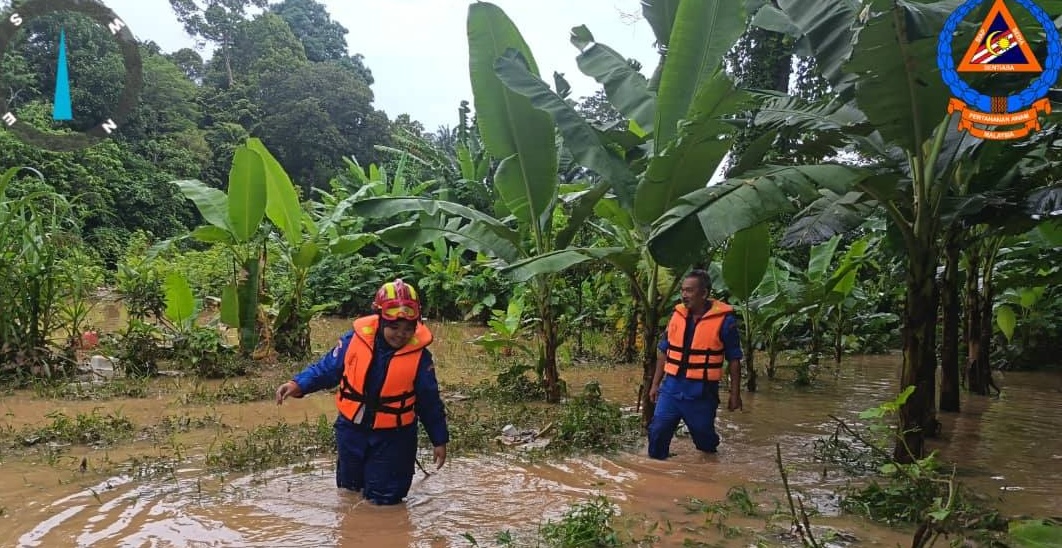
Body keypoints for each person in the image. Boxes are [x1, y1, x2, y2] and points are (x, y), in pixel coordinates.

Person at [275, 278, 450, 505]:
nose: (401, 334)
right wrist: (298, 384)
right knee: (349, 491)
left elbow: (429, 402)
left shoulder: (420, 358)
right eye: (394, 327)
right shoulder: (353, 342)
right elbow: (327, 368)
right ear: (379, 320)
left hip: (394, 438)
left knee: (385, 500)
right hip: (351, 431)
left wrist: (439, 439)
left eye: (408, 328)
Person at [647, 269, 743, 460]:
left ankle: (707, 469)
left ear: (704, 293)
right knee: (658, 431)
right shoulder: (677, 316)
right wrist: (655, 384)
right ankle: (656, 474)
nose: (684, 295)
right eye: (683, 290)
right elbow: (664, 352)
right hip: (672, 388)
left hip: (701, 392)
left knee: (704, 440)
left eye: (689, 291)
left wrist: (735, 394)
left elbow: (734, 360)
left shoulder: (725, 321)